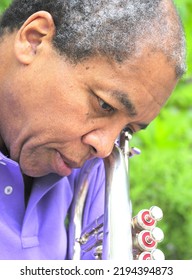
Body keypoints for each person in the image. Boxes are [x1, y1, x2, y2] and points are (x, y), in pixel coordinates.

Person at [0, 0, 186, 260]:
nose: (105, 147)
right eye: (104, 105)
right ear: (34, 40)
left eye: (127, 130)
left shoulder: (92, 165)